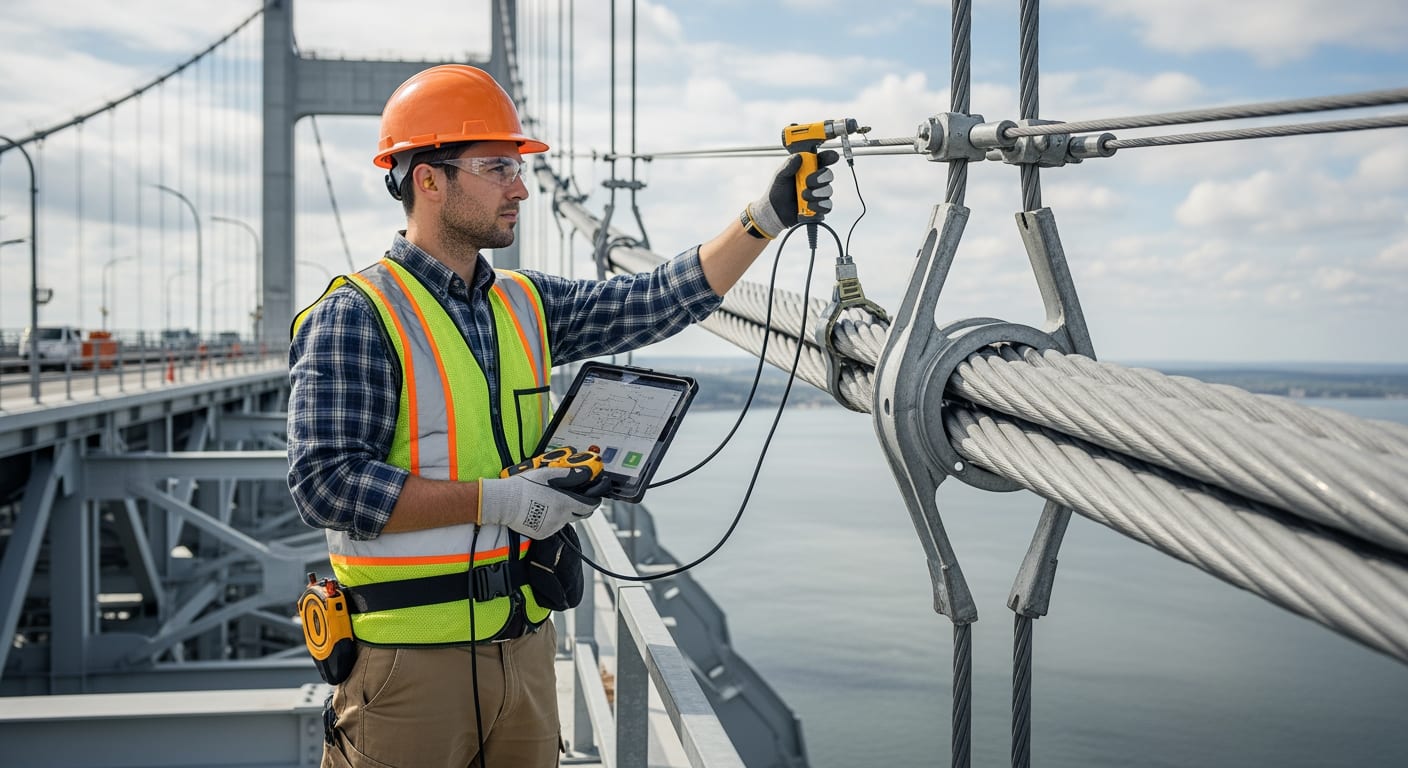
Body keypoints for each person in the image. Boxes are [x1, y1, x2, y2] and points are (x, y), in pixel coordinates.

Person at [286, 63, 837, 768]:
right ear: (428, 179)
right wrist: (505, 500)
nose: (520, 188)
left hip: (526, 645)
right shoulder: (356, 316)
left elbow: (654, 300)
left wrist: (763, 218)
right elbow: (325, 486)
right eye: (496, 168)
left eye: (518, 169)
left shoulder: (524, 303)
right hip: (407, 667)